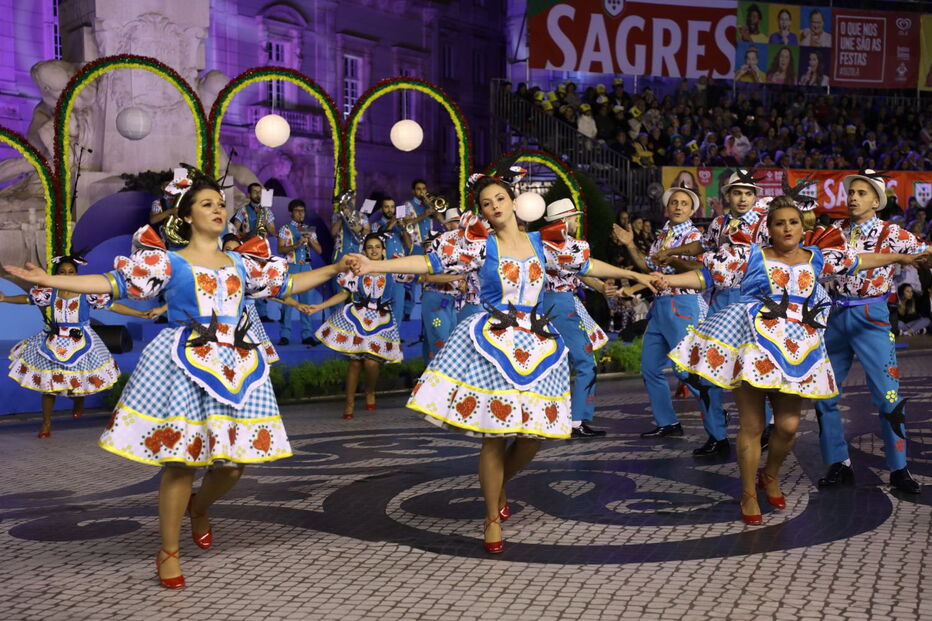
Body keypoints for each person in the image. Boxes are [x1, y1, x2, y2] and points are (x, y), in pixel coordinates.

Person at [5, 172, 350, 590]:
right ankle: (168, 550)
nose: (218, 209)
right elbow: (111, 284)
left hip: (235, 363)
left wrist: (336, 265)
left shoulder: (243, 262)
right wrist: (49, 280)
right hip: (183, 360)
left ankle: (199, 507)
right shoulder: (166, 261)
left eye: (220, 204)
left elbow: (290, 282)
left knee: (235, 467)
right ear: (186, 217)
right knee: (181, 461)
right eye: (206, 204)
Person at [345, 172, 653, 554]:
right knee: (496, 434)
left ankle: (497, 486)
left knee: (533, 437)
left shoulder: (546, 244)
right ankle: (492, 516)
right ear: (484, 212)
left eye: (499, 199)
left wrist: (633, 273)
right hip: (493, 340)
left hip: (536, 342)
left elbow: (588, 266)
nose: (494, 207)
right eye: (487, 203)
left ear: (513, 202)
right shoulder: (478, 246)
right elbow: (428, 262)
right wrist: (372, 266)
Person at [658, 197, 920, 524]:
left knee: (788, 425)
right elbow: (706, 277)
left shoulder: (818, 258)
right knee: (753, 426)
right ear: (768, 229)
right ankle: (748, 494)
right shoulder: (750, 255)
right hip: (752, 347)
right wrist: (669, 280)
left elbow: (859, 261)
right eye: (779, 223)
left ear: (802, 228)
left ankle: (770, 474)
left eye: (793, 222)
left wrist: (898, 255)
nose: (787, 228)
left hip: (795, 351)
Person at [815, 170, 929, 494]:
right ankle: (838, 462)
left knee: (889, 395)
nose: (853, 197)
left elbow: (924, 252)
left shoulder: (892, 233)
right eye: (851, 192)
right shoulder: (834, 232)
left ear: (876, 201)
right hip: (835, 315)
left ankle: (898, 469)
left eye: (862, 193)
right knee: (824, 392)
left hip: (873, 316)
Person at [654, 170, 774, 454]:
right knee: (705, 371)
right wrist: (675, 251)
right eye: (737, 193)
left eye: (748, 193)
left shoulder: (765, 224)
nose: (742, 198)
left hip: (753, 300)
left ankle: (766, 427)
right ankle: (717, 435)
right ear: (727, 196)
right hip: (720, 302)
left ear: (755, 196)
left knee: (756, 368)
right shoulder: (718, 223)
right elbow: (703, 245)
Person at [611, 185, 728, 452]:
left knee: (687, 370)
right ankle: (668, 422)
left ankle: (717, 420)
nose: (677, 206)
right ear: (667, 207)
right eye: (674, 202)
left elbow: (702, 269)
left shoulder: (696, 235)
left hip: (684, 304)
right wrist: (630, 244)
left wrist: (674, 260)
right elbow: (648, 269)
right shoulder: (662, 235)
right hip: (661, 306)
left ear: (692, 209)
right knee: (650, 368)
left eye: (684, 203)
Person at [3, 254, 157, 438]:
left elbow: (112, 306)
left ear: (77, 274)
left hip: (81, 342)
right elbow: (27, 299)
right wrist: (5, 298)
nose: (67, 276)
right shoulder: (49, 291)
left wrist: (139, 314)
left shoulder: (88, 293)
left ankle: (78, 401)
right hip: (53, 341)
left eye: (71, 272)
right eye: (62, 272)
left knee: (78, 379)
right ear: (55, 275)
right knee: (48, 386)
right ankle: (46, 423)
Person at [540, 199, 652, 439]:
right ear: (564, 220)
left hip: (543, 304)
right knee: (585, 361)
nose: (577, 222)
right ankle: (575, 421)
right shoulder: (568, 245)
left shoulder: (539, 242)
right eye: (575, 218)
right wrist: (632, 274)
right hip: (561, 304)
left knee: (553, 362)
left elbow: (580, 271)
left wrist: (601, 287)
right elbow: (588, 267)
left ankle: (550, 418)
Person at [312, 233, 402, 419]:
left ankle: (369, 390)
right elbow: (343, 294)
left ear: (384, 250)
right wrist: (320, 306)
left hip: (381, 321)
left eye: (378, 247)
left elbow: (421, 275)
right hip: (358, 318)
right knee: (354, 363)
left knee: (371, 362)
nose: (374, 250)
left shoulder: (394, 271)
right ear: (364, 251)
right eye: (370, 247)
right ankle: (349, 403)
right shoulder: (356, 272)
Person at [421, 209, 466, 360]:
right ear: (446, 225)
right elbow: (427, 277)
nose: (458, 225)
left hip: (456, 301)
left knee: (453, 346)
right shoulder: (437, 244)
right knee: (440, 344)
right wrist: (459, 277)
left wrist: (464, 282)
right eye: (454, 222)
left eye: (460, 222)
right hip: (435, 297)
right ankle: (435, 382)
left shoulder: (466, 246)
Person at [277, 199, 324, 345]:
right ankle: (285, 335)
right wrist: (296, 244)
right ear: (291, 213)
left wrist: (310, 240)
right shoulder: (284, 229)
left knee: (307, 302)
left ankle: (307, 335)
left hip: (306, 268)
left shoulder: (308, 229)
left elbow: (319, 250)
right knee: (288, 302)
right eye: (297, 211)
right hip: (291, 267)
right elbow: (280, 249)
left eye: (302, 211)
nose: (300, 214)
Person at [230, 182, 277, 321]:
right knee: (247, 280)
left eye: (260, 192)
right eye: (255, 192)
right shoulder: (242, 210)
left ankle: (262, 313)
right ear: (249, 195)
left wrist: (267, 225)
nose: (258, 194)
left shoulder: (267, 211)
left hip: (262, 250)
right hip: (247, 249)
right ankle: (244, 311)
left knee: (262, 280)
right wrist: (246, 234)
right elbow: (235, 229)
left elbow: (273, 231)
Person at [372, 194, 413, 327]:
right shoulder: (376, 224)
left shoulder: (399, 225)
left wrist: (403, 229)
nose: (390, 210)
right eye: (386, 207)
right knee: (383, 306)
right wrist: (392, 224)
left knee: (398, 305)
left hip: (398, 271)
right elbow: (378, 239)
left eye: (392, 207)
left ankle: (395, 337)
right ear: (382, 209)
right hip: (383, 270)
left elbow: (409, 244)